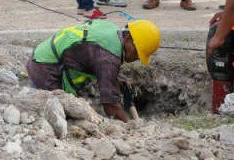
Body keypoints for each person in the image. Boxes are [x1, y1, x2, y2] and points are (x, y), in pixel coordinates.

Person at [26, 19, 160, 122]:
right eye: (137, 53)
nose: (136, 58)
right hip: (45, 72)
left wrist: (114, 80)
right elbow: (110, 104)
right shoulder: (108, 58)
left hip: (40, 55)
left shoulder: (111, 29)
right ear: (127, 39)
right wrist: (129, 126)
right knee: (66, 116)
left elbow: (89, 53)